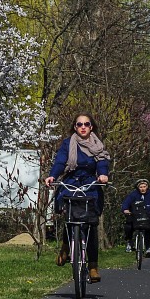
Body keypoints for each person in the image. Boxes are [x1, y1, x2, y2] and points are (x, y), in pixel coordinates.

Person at [44, 113, 110, 282]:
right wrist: (53, 176)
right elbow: (60, 161)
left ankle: (93, 266)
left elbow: (102, 162)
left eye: (86, 124)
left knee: (90, 225)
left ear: (91, 127)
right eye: (79, 124)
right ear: (75, 127)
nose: (83, 127)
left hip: (90, 183)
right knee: (70, 217)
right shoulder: (68, 144)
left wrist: (102, 175)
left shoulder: (97, 145)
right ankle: (66, 247)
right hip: (71, 182)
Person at [122, 178, 150, 255]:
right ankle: (129, 242)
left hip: (147, 216)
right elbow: (125, 204)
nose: (143, 189)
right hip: (135, 216)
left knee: (149, 229)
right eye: (141, 187)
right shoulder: (133, 195)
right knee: (128, 226)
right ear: (138, 187)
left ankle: (148, 248)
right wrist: (125, 210)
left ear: (147, 187)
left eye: (144, 186)